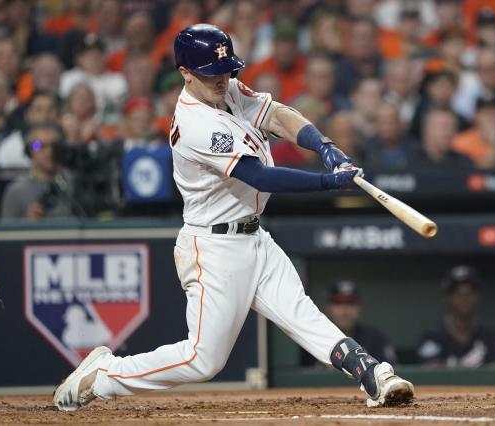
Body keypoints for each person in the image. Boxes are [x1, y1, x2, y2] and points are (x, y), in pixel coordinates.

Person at [53, 24, 414, 412]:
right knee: (202, 360)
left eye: (226, 70)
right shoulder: (196, 123)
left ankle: (373, 373)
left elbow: (276, 115)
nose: (222, 79)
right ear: (185, 73)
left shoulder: (227, 89)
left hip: (255, 235)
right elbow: (257, 175)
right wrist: (328, 181)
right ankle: (105, 375)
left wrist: (323, 145)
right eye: (211, 73)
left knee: (300, 312)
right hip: (214, 247)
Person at [416, 265, 495, 367]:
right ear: (447, 297)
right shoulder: (433, 337)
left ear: (477, 296)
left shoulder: (491, 336)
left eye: (469, 293)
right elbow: (432, 376)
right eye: (458, 293)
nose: (464, 298)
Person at [0, 123, 76, 220]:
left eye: (55, 146)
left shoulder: (76, 184)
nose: (49, 151)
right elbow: (5, 232)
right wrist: (26, 223)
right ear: (30, 150)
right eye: (39, 146)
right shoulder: (16, 191)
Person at [325, 280, 398, 365]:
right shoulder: (315, 336)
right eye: (338, 303)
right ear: (328, 307)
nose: (345, 311)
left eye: (351, 303)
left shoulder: (374, 338)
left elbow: (391, 371)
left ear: (359, 307)